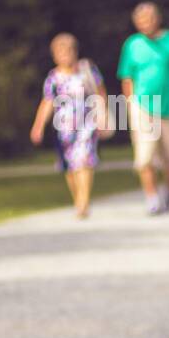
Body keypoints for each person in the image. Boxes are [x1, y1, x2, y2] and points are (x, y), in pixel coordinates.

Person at [116, 2, 169, 215]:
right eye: (140, 21)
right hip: (143, 107)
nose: (145, 24)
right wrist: (129, 104)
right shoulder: (132, 45)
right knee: (144, 157)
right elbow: (127, 77)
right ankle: (152, 198)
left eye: (149, 19)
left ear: (157, 19)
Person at [30, 33, 107, 219]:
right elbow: (47, 102)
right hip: (63, 128)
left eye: (68, 51)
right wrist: (38, 125)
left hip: (87, 124)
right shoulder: (53, 78)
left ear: (75, 52)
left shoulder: (88, 71)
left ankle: (83, 203)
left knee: (85, 162)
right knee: (70, 167)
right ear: (54, 55)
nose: (65, 55)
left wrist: (102, 117)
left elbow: (100, 95)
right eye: (60, 52)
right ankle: (78, 198)